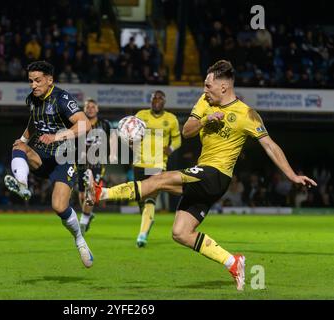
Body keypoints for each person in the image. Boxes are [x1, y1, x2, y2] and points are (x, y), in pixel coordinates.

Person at [84, 60, 317, 290]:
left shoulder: (247, 114)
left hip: (216, 174)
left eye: (209, 86)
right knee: (180, 232)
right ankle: (232, 262)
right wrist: (206, 119)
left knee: (158, 180)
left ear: (223, 87)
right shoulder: (205, 102)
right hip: (203, 173)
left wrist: (293, 175)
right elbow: (187, 132)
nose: (205, 90)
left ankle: (100, 193)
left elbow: (270, 146)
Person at [4, 61, 94, 268]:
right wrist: (24, 140)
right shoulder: (32, 100)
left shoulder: (62, 99)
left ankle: (80, 240)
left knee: (59, 206)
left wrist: (56, 136)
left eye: (37, 80)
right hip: (43, 155)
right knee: (19, 146)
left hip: (64, 158)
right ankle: (23, 186)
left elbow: (85, 124)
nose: (33, 85)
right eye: (30, 81)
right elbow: (33, 122)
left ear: (50, 80)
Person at [130, 90, 181, 247]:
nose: (157, 100)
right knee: (141, 199)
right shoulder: (141, 115)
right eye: (154, 98)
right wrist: (130, 140)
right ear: (150, 100)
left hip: (157, 163)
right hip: (139, 162)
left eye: (160, 98)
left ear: (164, 101)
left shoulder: (171, 119)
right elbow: (131, 132)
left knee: (151, 197)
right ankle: (147, 221)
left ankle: (142, 235)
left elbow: (178, 139)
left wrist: (171, 149)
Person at [77, 98, 117, 234]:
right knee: (82, 195)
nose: (90, 109)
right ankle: (88, 214)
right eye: (88, 107)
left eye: (93, 107)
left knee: (91, 189)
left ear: (97, 109)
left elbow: (113, 137)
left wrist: (112, 153)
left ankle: (83, 221)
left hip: (98, 163)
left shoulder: (104, 124)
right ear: (84, 109)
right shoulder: (79, 124)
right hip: (81, 162)